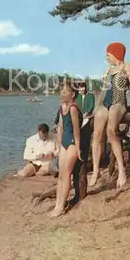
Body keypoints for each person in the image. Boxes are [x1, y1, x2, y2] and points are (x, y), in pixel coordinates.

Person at [89, 42, 130, 189]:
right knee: (97, 134)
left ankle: (122, 169)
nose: (107, 58)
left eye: (108, 55)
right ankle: (95, 170)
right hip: (106, 103)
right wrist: (96, 108)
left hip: (119, 103)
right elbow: (102, 93)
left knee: (111, 131)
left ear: (116, 54)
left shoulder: (128, 67)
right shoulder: (109, 70)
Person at [49, 80, 83, 217]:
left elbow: (76, 130)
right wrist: (59, 145)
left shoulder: (73, 108)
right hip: (65, 142)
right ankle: (57, 204)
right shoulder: (61, 107)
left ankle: (61, 206)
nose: (62, 93)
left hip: (73, 143)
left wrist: (78, 148)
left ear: (73, 94)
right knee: (60, 176)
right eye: (61, 91)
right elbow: (61, 128)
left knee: (66, 174)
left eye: (65, 91)